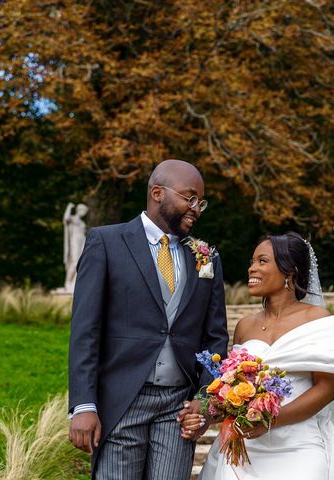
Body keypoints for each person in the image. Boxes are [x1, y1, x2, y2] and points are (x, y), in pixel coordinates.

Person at [180, 232, 334, 479]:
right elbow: (229, 390)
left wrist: (269, 421)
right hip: (246, 450)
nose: (251, 269)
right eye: (252, 262)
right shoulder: (244, 326)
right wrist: (206, 414)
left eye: (262, 261)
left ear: (289, 271)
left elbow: (326, 389)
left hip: (300, 446)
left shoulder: (317, 319)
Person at [68, 160, 229, 480]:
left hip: (177, 407)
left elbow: (216, 337)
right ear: (158, 193)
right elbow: (86, 330)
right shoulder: (107, 242)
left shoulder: (206, 256)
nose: (196, 208)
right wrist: (84, 405)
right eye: (190, 197)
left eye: (201, 202)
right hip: (121, 401)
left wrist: (203, 396)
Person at [63, 202, 89, 293]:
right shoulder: (73, 219)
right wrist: (69, 207)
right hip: (74, 241)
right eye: (83, 210)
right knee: (74, 263)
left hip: (82, 241)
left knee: (81, 263)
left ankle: (74, 283)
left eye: (85, 211)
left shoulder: (82, 223)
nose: (84, 213)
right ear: (78, 210)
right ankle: (68, 282)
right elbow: (66, 218)